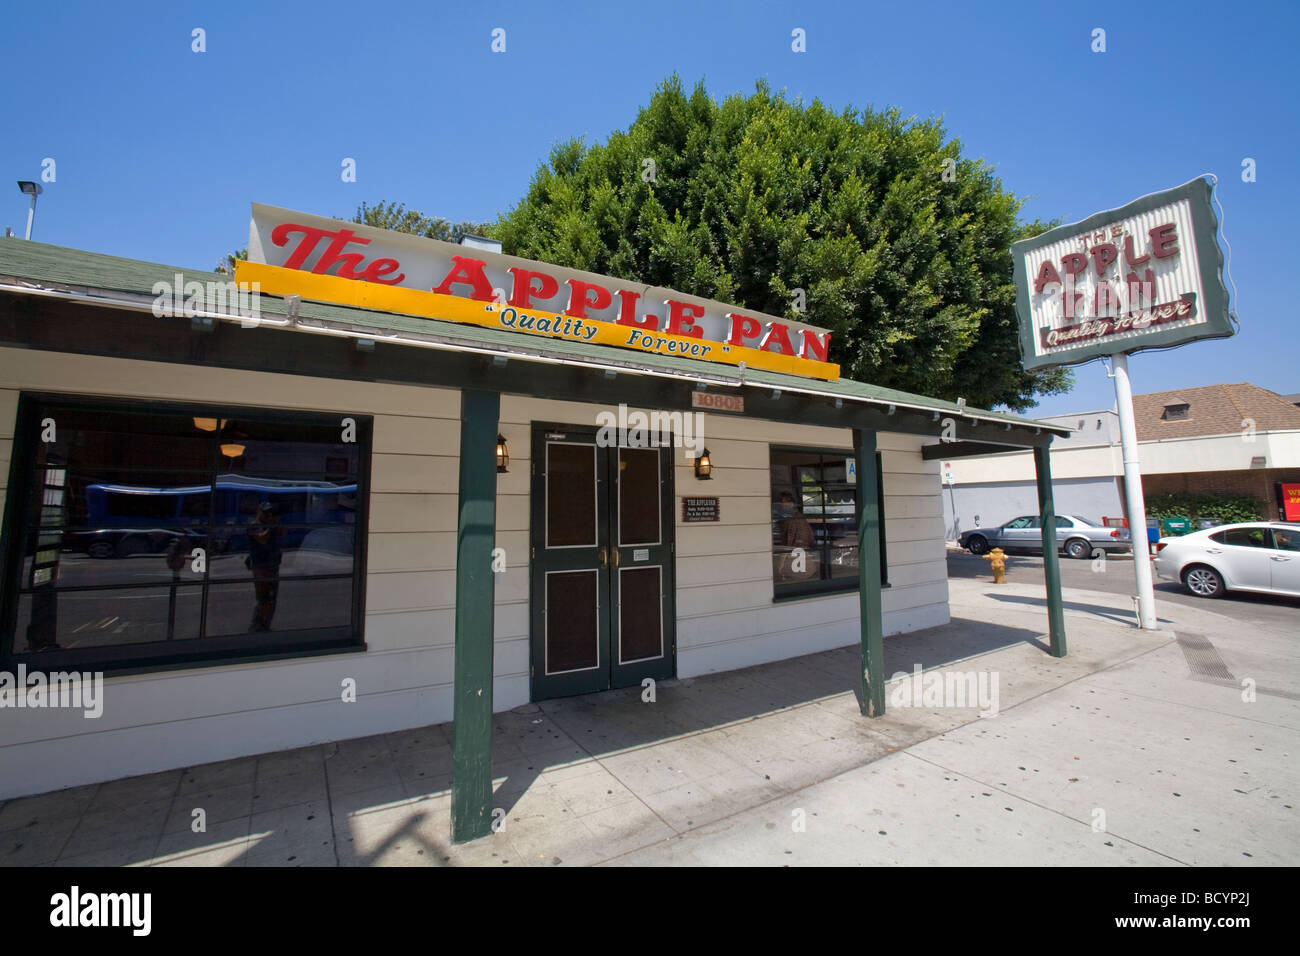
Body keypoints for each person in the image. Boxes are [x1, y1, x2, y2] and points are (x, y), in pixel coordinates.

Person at [247, 502, 283, 631]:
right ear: (259, 512)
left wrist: (276, 523)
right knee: (263, 598)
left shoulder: (271, 525)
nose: (268, 515)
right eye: (266, 512)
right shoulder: (254, 525)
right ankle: (257, 625)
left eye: (270, 513)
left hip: (273, 565)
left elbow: (283, 533)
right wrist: (271, 527)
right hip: (261, 566)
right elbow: (262, 539)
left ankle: (266, 624)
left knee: (272, 598)